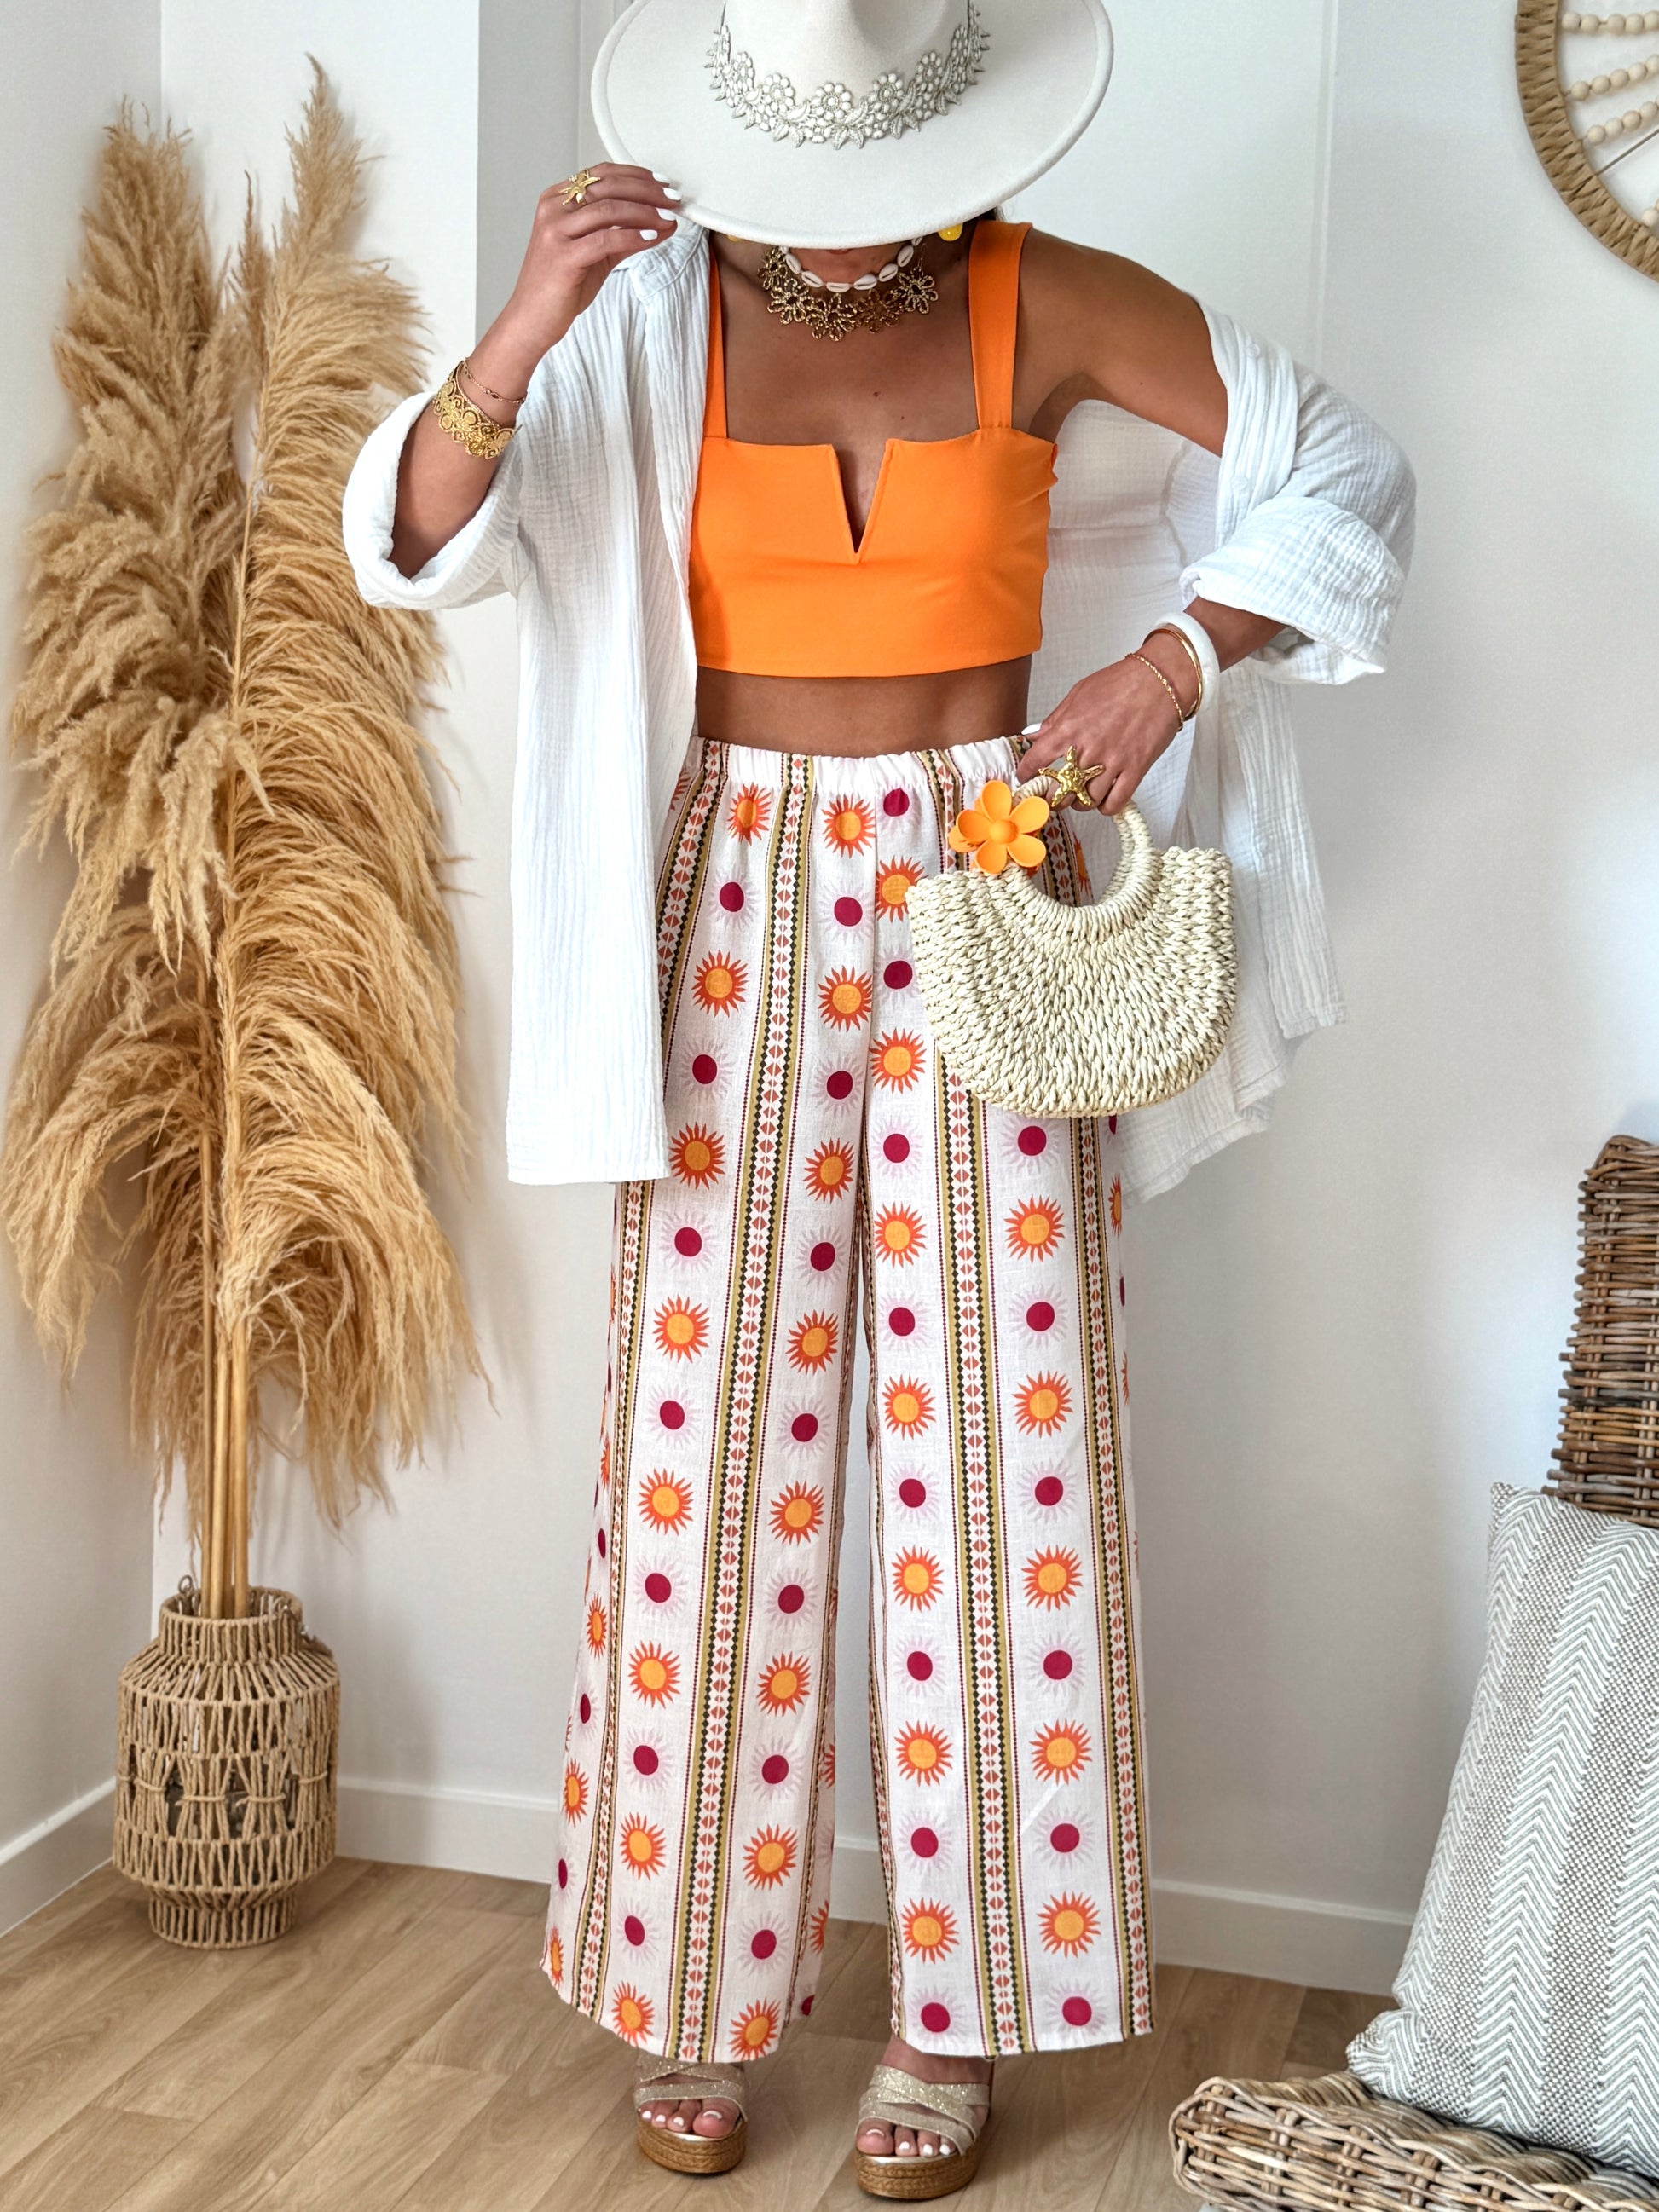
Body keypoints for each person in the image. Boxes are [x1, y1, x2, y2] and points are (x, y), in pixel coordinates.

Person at [343, 0, 1413, 2195]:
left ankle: (958, 2010)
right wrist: (526, 318)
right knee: (703, 1455)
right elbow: (420, 540)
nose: (839, 240)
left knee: (1004, 1458)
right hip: (722, 901)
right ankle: (694, 1984)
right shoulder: (643, 313)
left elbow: (1348, 468)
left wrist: (1174, 657)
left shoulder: (1048, 295)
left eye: (877, 192)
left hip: (985, 877)